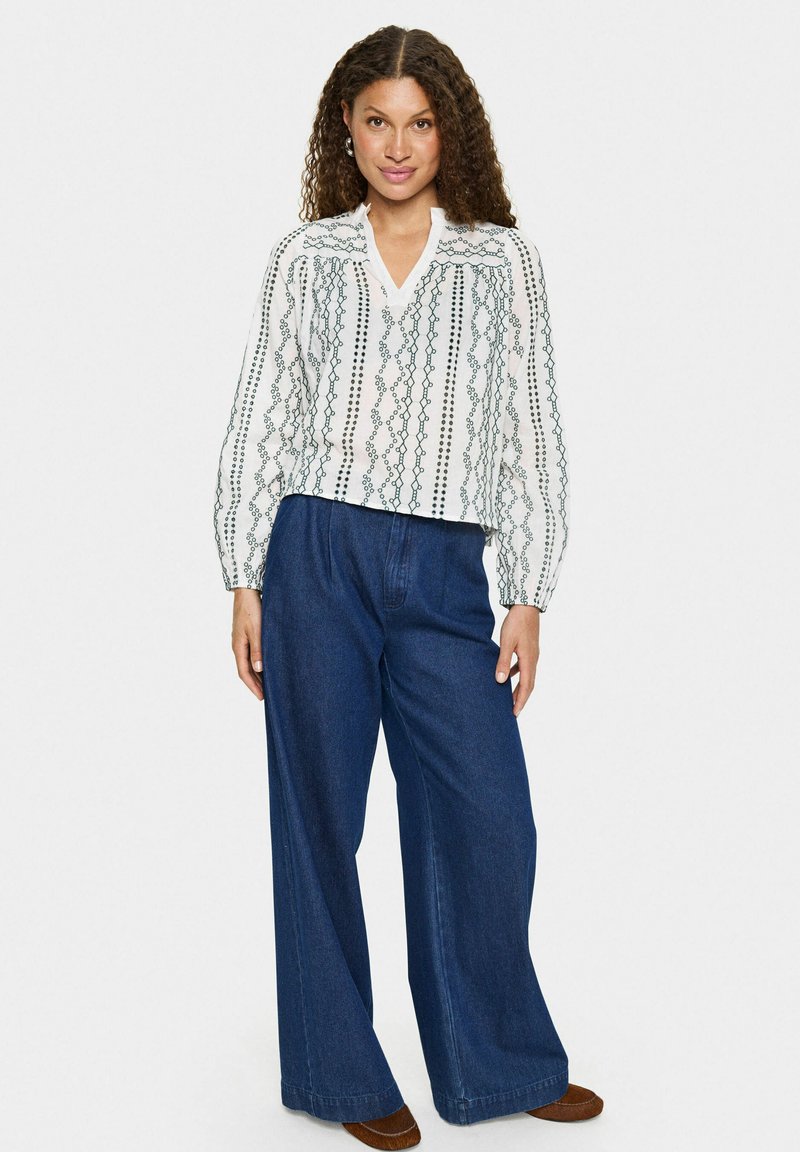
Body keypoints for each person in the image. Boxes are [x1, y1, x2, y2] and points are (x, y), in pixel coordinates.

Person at [213, 24, 602, 1149]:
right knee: (316, 816)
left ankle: (497, 1062)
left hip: (442, 570)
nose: (397, 145)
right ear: (345, 128)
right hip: (314, 554)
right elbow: (262, 413)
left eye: (419, 123)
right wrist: (244, 576)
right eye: (377, 121)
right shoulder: (306, 259)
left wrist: (528, 589)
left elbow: (531, 429)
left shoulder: (499, 263)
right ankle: (339, 1076)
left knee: (487, 814)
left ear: (448, 133)